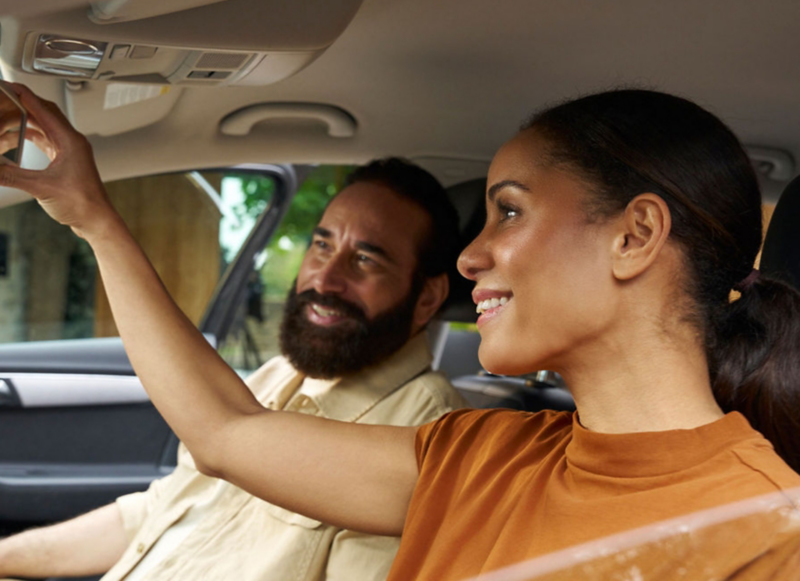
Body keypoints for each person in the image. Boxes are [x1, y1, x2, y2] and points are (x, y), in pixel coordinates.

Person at [2, 85, 800, 580]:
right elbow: (224, 430)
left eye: (510, 210)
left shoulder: (769, 532)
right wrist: (93, 218)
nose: (472, 254)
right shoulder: (478, 454)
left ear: (634, 236)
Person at [0, 154, 467, 580]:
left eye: (365, 259)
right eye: (322, 246)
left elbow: (218, 435)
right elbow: (162, 511)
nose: (325, 278)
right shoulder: (281, 374)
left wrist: (95, 219)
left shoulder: (424, 439)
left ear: (426, 297)